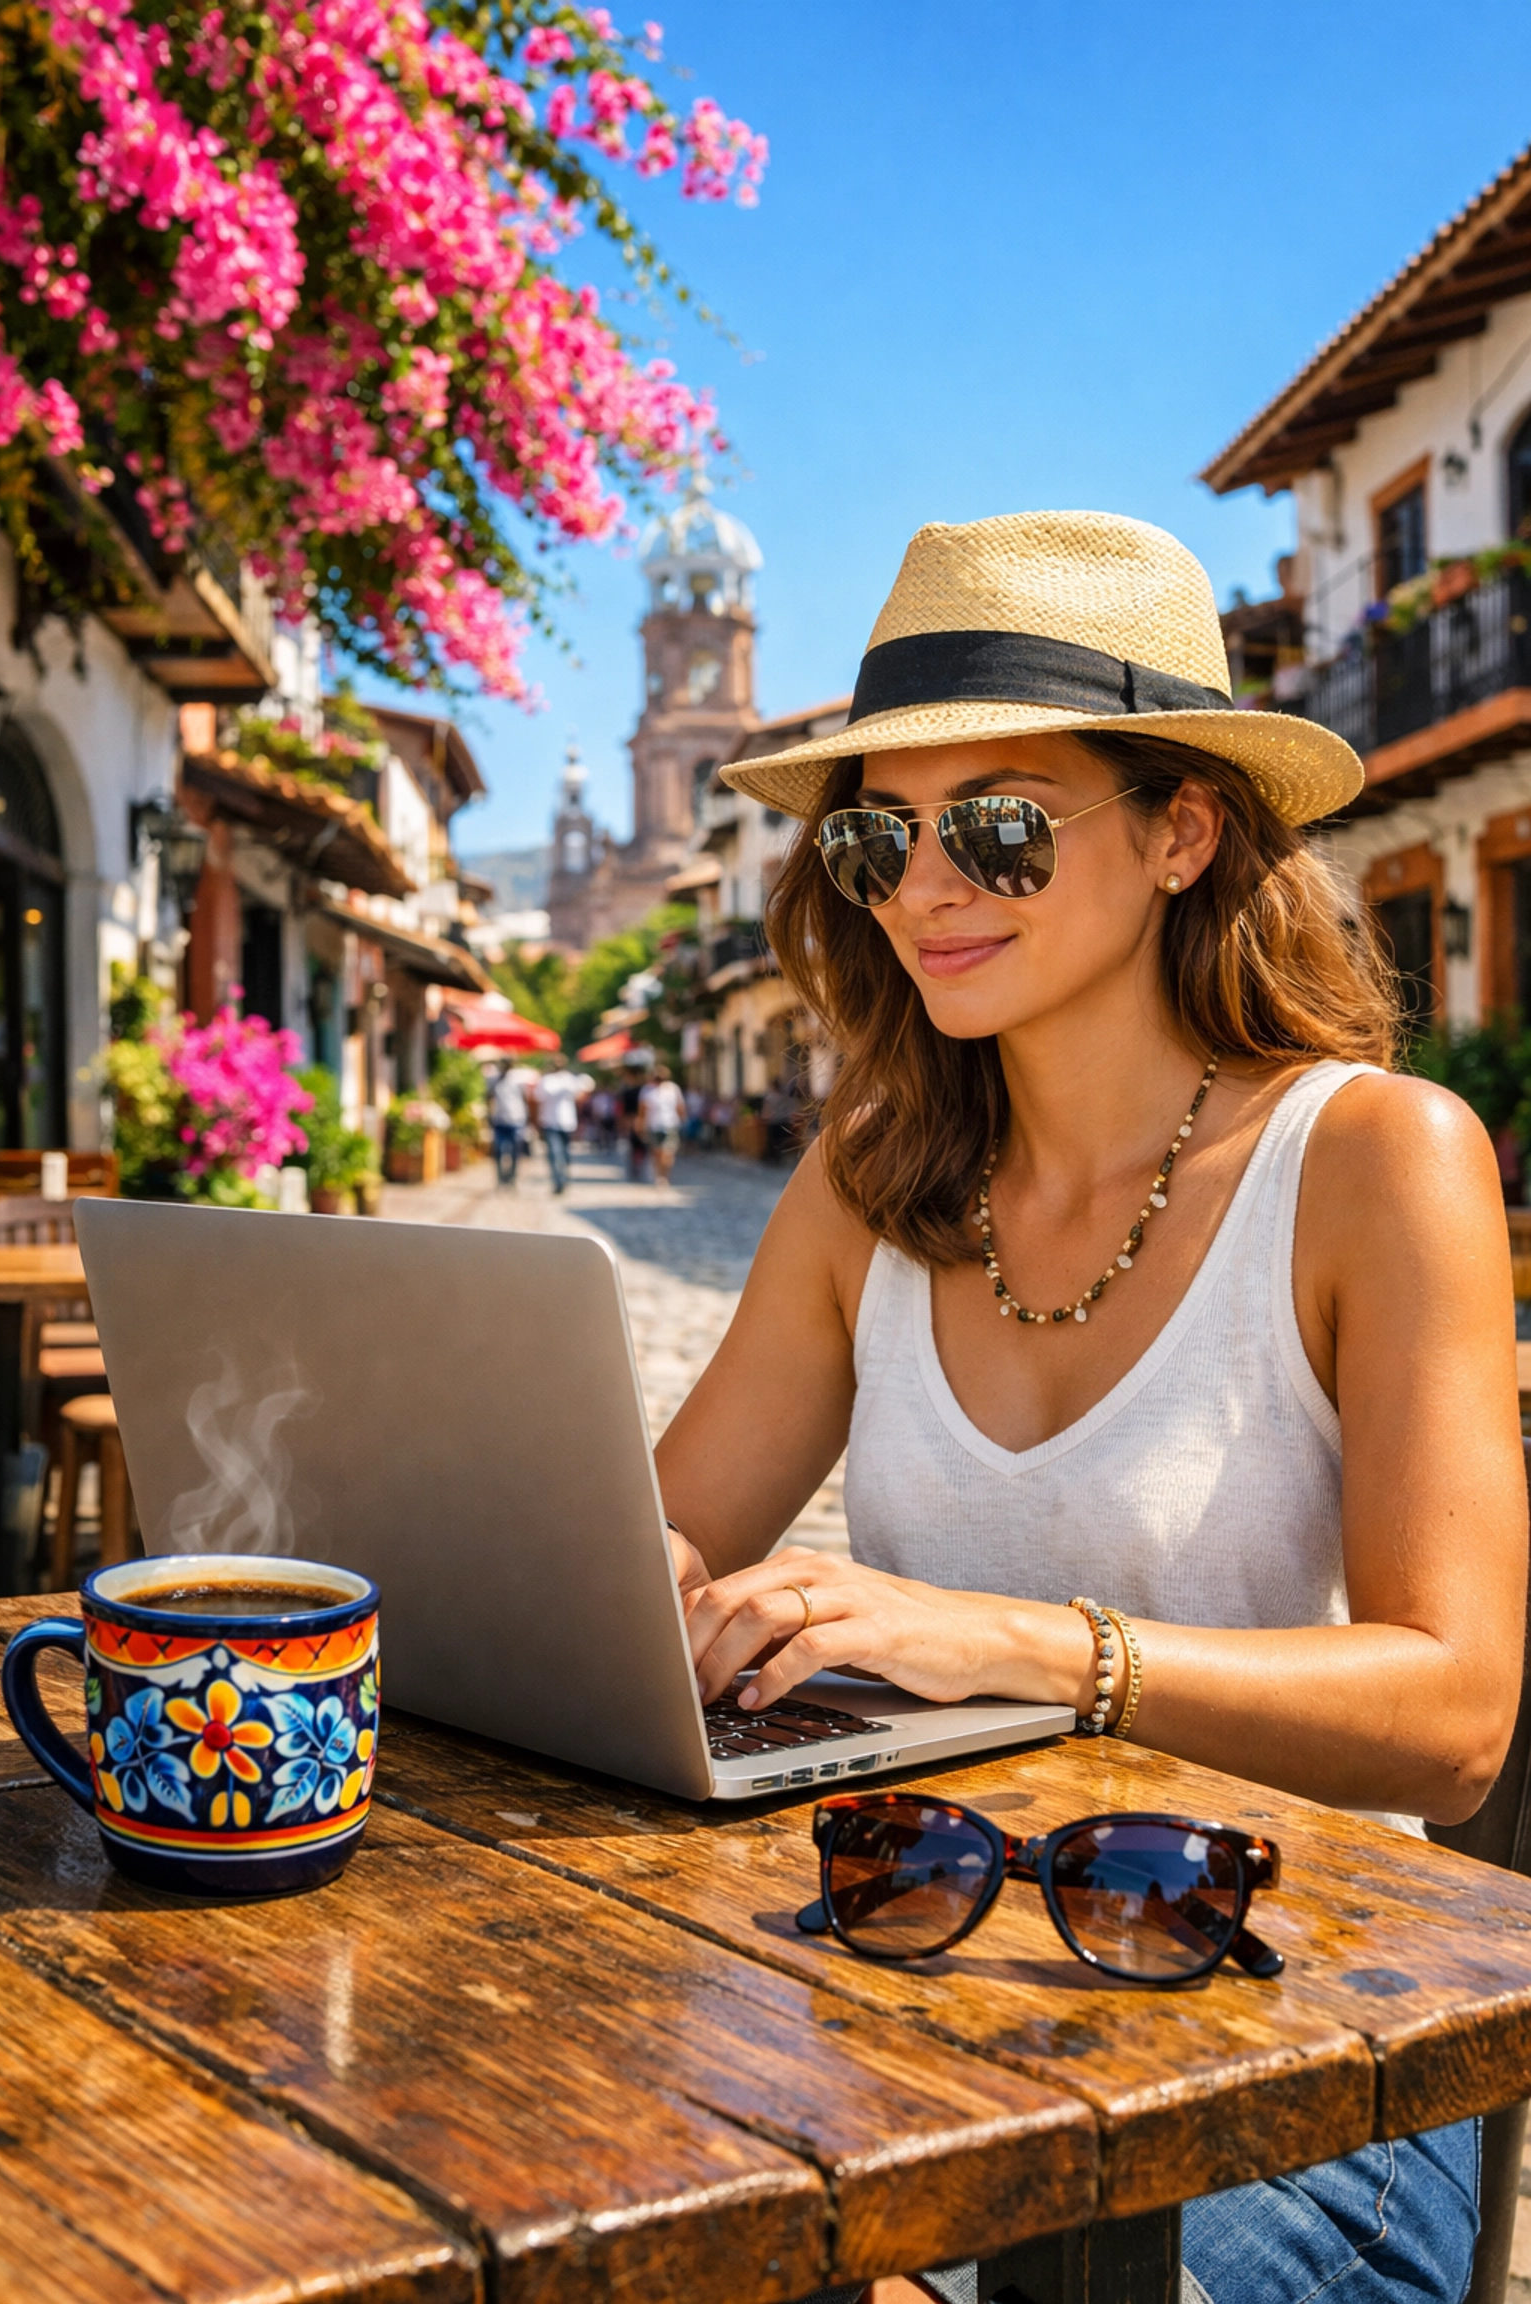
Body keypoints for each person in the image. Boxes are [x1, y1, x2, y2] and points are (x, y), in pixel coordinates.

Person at [653, 512, 1524, 2304]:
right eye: (881, 834)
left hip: (1297, 2028)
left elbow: (1455, 1707)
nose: (919, 888)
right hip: (917, 1956)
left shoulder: (1368, 1156)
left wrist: (1028, 1644)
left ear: (1181, 827)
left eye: (994, 827)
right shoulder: (868, 1181)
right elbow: (649, 1541)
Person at [533, 1060, 591, 1195]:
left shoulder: (568, 1079)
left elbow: (582, 1093)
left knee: (564, 1153)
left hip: (566, 1122)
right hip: (550, 1122)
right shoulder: (549, 1080)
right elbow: (537, 1097)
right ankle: (558, 1180)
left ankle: (563, 1177)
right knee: (554, 1152)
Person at [638, 1064, 687, 1187]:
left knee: (668, 1152)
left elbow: (680, 1107)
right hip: (654, 1125)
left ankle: (665, 1176)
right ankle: (658, 1175)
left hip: (670, 1124)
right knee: (656, 1152)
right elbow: (642, 1111)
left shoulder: (673, 1089)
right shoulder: (646, 1090)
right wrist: (641, 1126)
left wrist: (683, 1120)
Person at [487, 1062, 534, 1185]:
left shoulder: (518, 1082)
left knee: (514, 1151)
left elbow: (524, 1100)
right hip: (500, 1120)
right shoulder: (495, 1081)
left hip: (516, 1119)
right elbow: (489, 1098)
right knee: (499, 1151)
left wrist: (527, 1118)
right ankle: (501, 1178)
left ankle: (512, 1177)